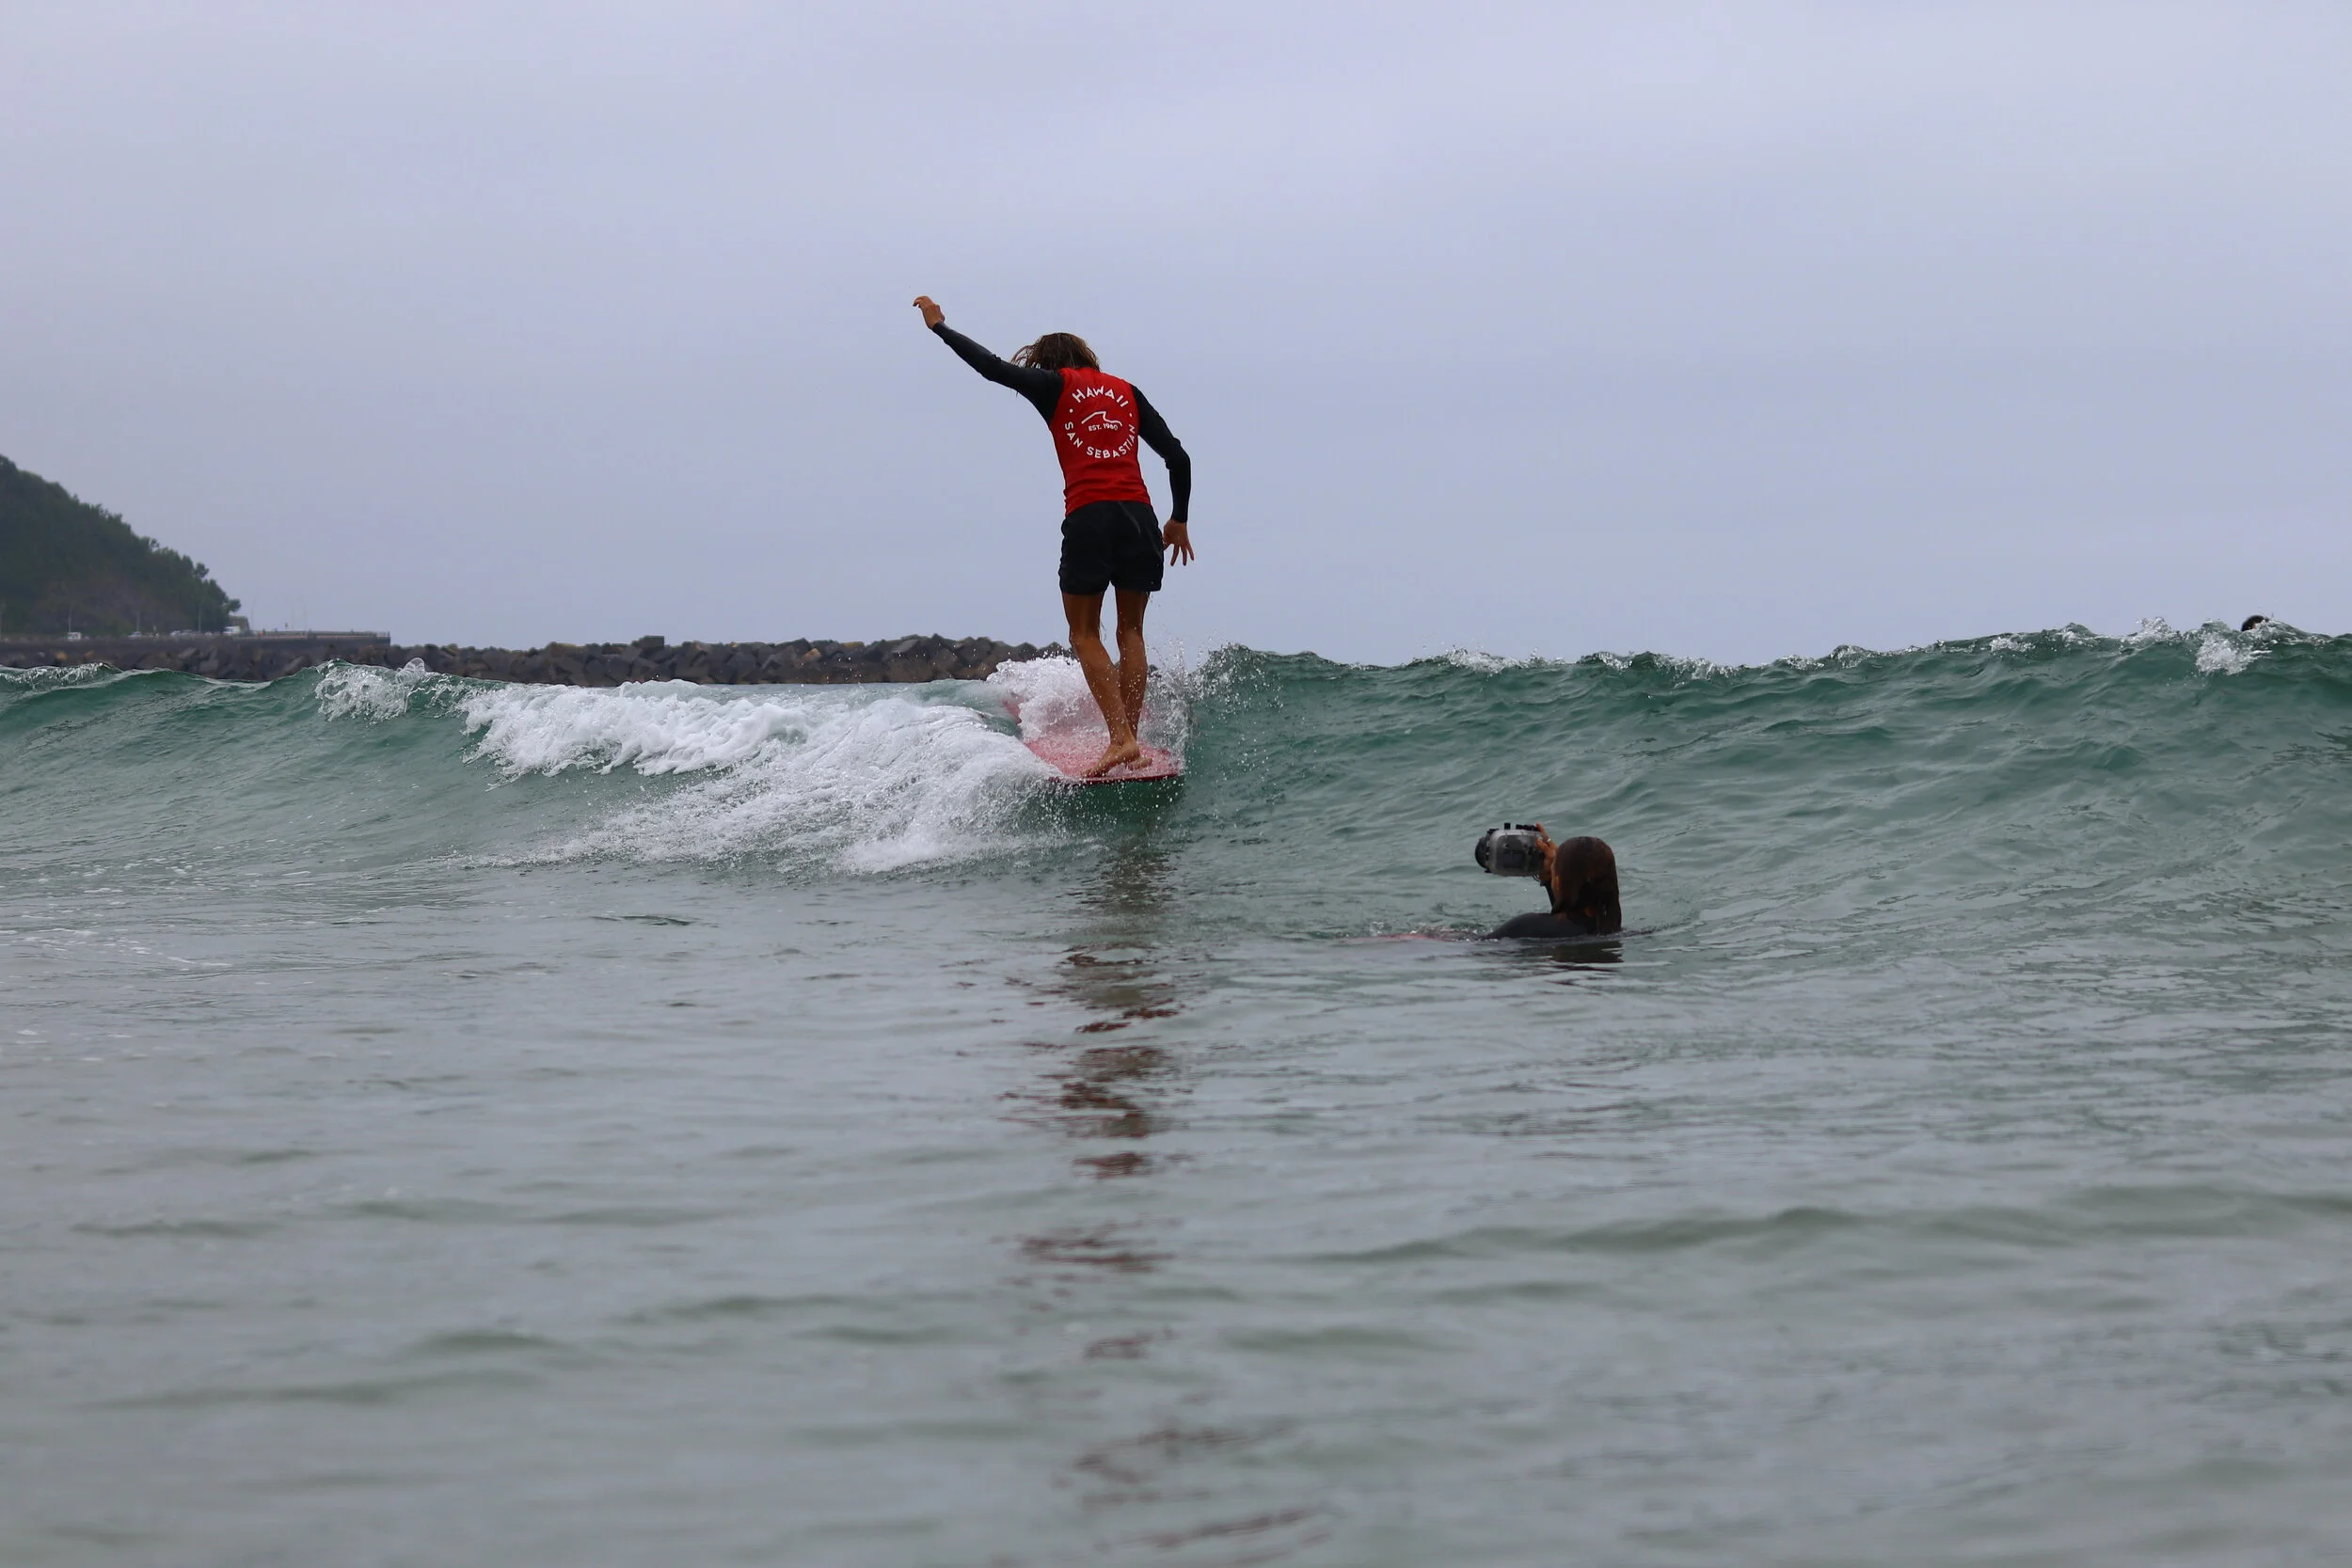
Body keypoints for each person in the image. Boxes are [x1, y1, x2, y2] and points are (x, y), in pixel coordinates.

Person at [914, 295, 1192, 777]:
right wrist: (1179, 519)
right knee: (1131, 631)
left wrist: (940, 327)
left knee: (1084, 632)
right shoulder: (1126, 391)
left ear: (1048, 362)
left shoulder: (1053, 385)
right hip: (1141, 517)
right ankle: (1131, 736)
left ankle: (1121, 739)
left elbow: (991, 368)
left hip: (1090, 516)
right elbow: (1178, 458)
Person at [1488, 829, 1623, 940]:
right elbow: (1569, 925)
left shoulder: (1526, 926)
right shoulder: (1611, 930)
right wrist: (1551, 879)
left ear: (1557, 883)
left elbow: (1475, 945)